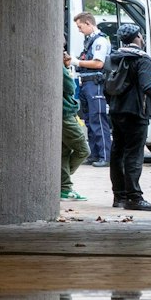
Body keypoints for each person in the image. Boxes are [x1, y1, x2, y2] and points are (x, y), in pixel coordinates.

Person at [101, 24, 151, 211]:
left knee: (117, 152)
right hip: (136, 112)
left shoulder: (113, 58)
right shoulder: (143, 60)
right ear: (138, 38)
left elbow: (106, 87)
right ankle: (134, 197)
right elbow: (148, 87)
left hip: (116, 111)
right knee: (134, 154)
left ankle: (119, 196)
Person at [67, 12, 112, 167]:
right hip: (86, 84)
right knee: (90, 121)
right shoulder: (90, 41)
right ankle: (94, 154)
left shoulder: (100, 41)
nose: (79, 30)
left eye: (80, 27)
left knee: (98, 119)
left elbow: (98, 63)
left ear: (88, 23)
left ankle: (105, 156)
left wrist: (76, 62)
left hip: (96, 84)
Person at [60, 58, 90, 202]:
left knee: (64, 152)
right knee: (83, 150)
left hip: (64, 113)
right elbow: (71, 88)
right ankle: (59, 181)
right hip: (66, 115)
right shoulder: (60, 67)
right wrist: (66, 68)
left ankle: (64, 188)